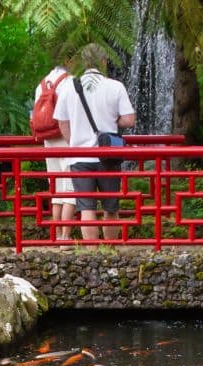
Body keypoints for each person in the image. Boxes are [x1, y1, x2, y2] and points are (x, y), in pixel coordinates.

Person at [53, 44, 136, 242]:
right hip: (108, 155)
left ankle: (92, 254)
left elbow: (62, 122)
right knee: (110, 207)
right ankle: (109, 250)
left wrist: (73, 143)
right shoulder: (115, 86)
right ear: (104, 62)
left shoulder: (69, 87)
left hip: (79, 157)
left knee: (86, 207)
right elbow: (129, 120)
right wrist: (114, 120)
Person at [30, 55, 75, 240]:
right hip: (67, 138)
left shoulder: (41, 84)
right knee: (70, 190)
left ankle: (55, 234)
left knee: (56, 190)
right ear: (69, 61)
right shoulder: (70, 82)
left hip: (48, 140)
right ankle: (66, 237)